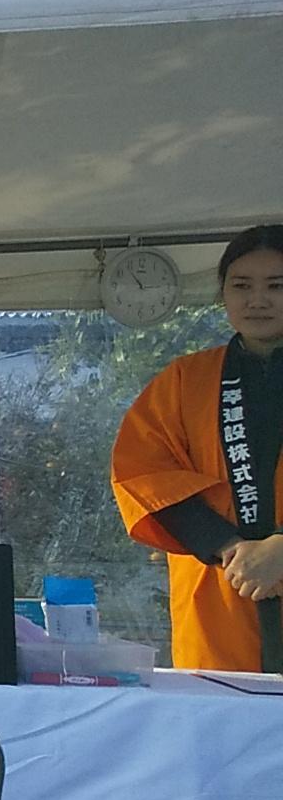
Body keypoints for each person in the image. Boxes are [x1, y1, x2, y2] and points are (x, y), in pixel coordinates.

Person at [113, 224, 283, 671]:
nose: (257, 300)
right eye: (241, 286)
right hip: (222, 591)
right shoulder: (186, 380)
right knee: (225, 707)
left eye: (276, 286)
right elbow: (141, 474)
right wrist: (227, 546)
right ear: (222, 293)